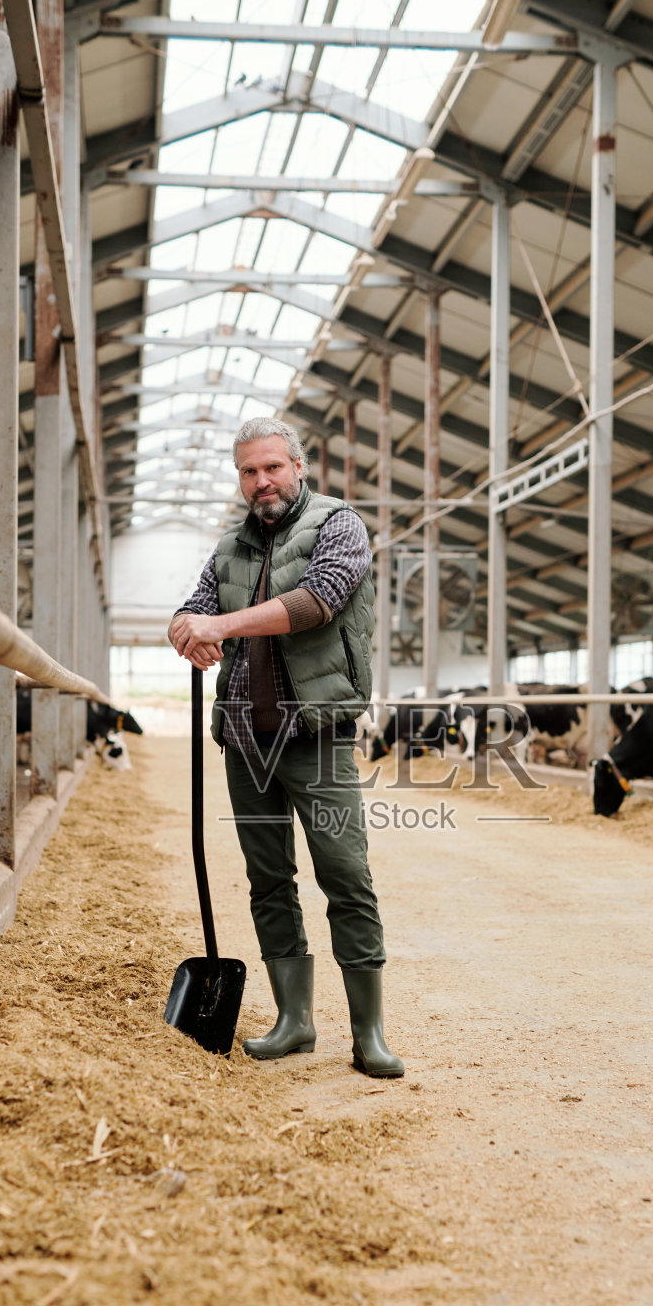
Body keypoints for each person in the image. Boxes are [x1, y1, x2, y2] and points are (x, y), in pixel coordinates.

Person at [168, 415, 403, 1080]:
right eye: (248, 471)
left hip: (316, 738)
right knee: (269, 882)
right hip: (246, 742)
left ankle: (369, 1035)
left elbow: (316, 601)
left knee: (345, 876)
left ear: (297, 467)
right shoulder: (230, 547)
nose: (261, 481)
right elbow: (193, 608)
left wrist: (221, 623)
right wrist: (185, 630)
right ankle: (293, 1022)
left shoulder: (338, 525)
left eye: (272, 467)